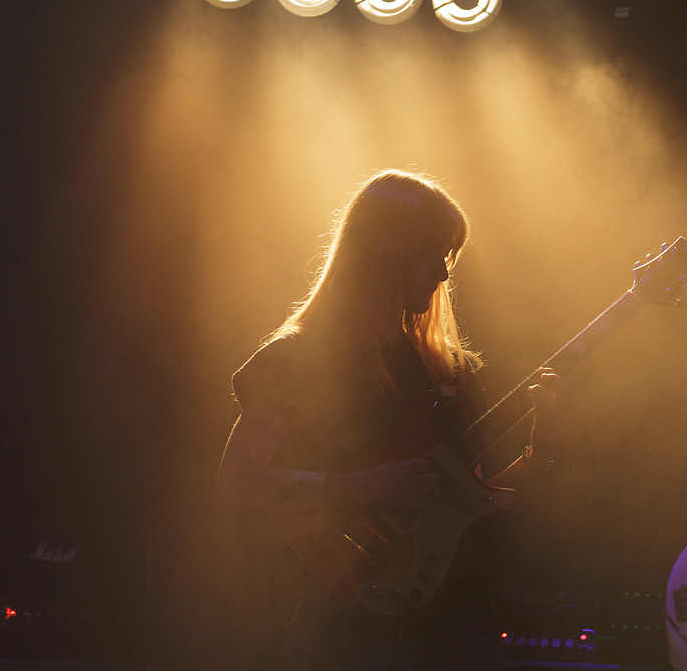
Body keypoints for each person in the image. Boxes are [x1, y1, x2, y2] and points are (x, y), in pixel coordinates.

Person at [216, 169, 562, 671]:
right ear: (385, 251)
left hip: (461, 626)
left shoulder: (448, 371)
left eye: (448, 256)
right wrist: (365, 486)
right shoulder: (296, 358)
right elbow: (238, 481)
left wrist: (538, 455)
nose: (444, 273)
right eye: (432, 253)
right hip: (346, 630)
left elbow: (471, 501)